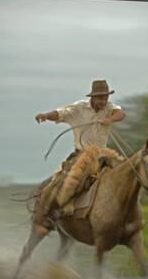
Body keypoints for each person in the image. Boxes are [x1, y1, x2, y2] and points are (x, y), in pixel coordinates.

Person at [32, 79, 125, 226]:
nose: (103, 101)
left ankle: (122, 214)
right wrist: (45, 115)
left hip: (103, 155)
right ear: (92, 97)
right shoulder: (78, 108)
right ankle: (54, 212)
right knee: (66, 181)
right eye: (100, 97)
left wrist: (110, 119)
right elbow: (60, 113)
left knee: (124, 176)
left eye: (106, 97)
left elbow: (120, 114)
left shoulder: (110, 108)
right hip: (81, 154)